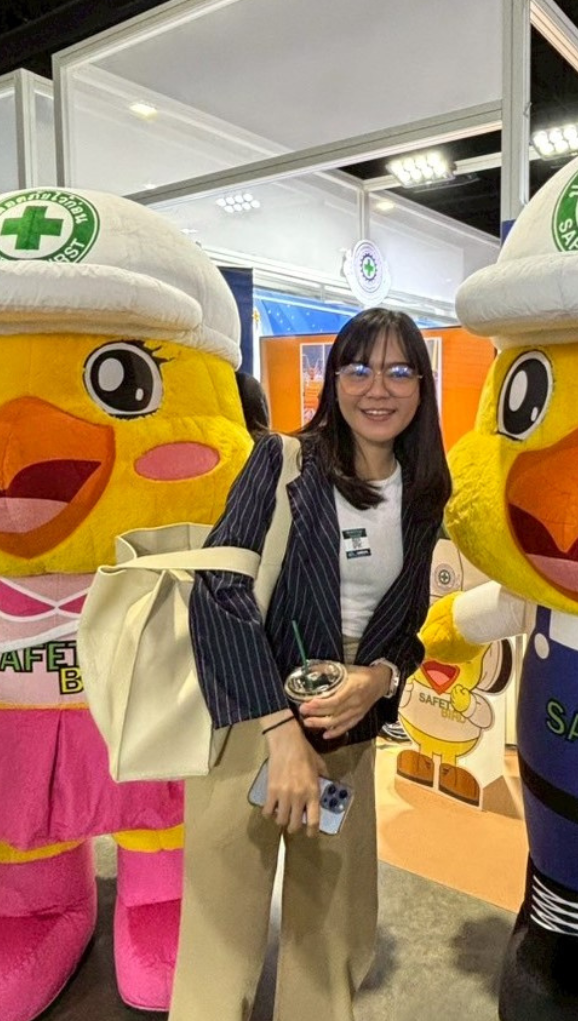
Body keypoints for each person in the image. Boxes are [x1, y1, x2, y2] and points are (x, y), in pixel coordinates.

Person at [172, 307, 451, 1021]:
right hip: (252, 708)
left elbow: (413, 624)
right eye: (359, 368)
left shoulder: (426, 492)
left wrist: (380, 678)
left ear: (422, 386)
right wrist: (280, 732)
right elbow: (219, 588)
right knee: (222, 920)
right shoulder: (285, 461)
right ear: (333, 381)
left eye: (399, 370)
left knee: (332, 926)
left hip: (349, 722)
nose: (378, 388)